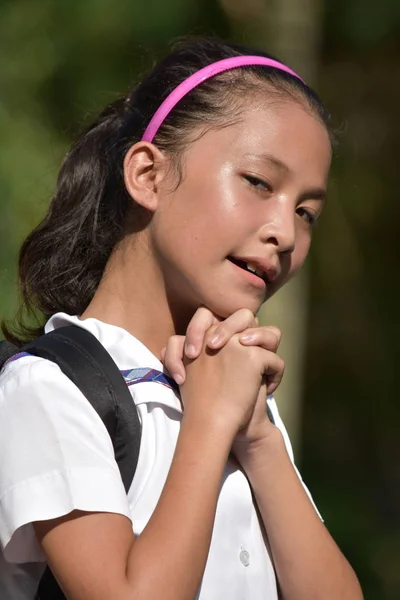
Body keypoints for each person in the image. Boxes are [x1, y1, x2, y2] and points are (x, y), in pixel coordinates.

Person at [0, 37, 363, 600]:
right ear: (147, 175)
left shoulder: (242, 401)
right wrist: (211, 422)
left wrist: (260, 440)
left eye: (306, 212)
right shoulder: (47, 388)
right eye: (259, 183)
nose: (286, 234)